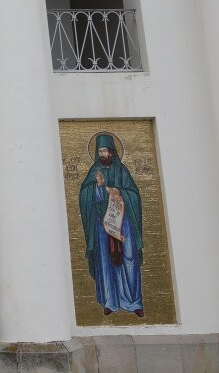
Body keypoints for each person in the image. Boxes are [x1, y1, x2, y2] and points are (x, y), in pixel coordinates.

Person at [78, 132, 144, 317]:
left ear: (112, 152)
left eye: (104, 150)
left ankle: (133, 302)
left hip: (124, 224)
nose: (101, 154)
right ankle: (110, 301)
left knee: (129, 260)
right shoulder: (95, 171)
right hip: (102, 225)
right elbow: (85, 195)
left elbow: (134, 195)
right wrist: (97, 188)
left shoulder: (121, 170)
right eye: (99, 151)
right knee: (105, 262)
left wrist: (117, 191)